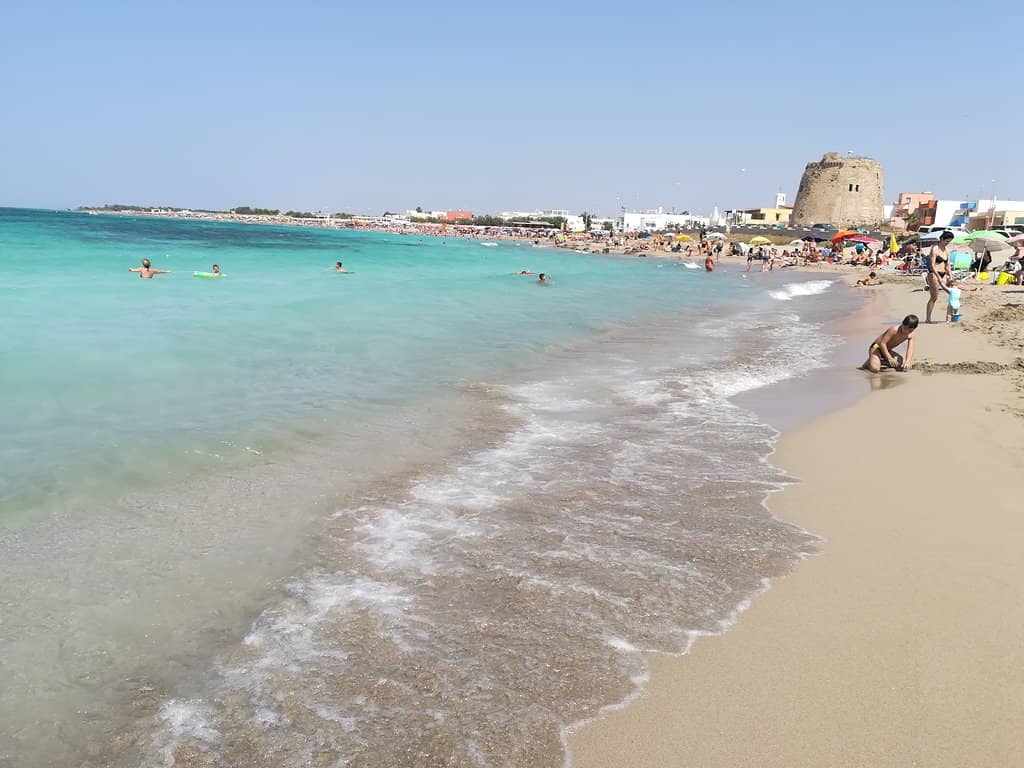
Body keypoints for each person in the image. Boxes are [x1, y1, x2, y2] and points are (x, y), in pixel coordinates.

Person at [925, 231, 954, 323]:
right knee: (934, 297)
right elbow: (932, 265)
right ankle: (928, 319)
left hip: (943, 273)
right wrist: (938, 277)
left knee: (953, 293)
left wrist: (951, 275)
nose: (947, 243)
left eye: (949, 242)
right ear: (942, 239)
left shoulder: (946, 251)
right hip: (934, 274)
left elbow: (947, 265)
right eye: (946, 241)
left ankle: (949, 317)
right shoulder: (935, 249)